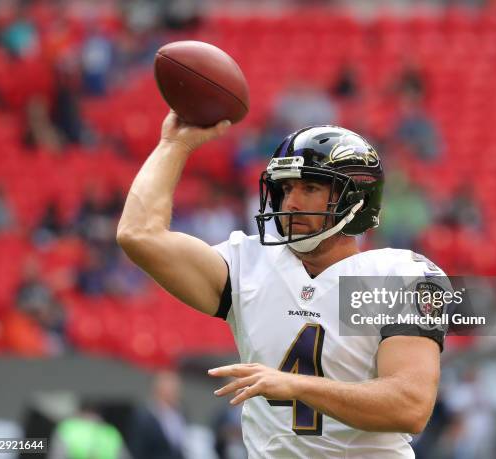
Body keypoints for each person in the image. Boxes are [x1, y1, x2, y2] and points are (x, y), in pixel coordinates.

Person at [117, 112, 447, 458]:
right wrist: (175, 144)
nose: (290, 202)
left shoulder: (396, 275)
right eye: (286, 187)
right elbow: (138, 235)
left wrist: (296, 386)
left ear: (355, 199)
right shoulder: (249, 264)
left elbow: (411, 406)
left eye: (310, 187)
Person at [128, 370, 190, 459]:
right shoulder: (144, 416)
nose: (176, 389)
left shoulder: (180, 413)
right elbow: (137, 448)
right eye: (171, 385)